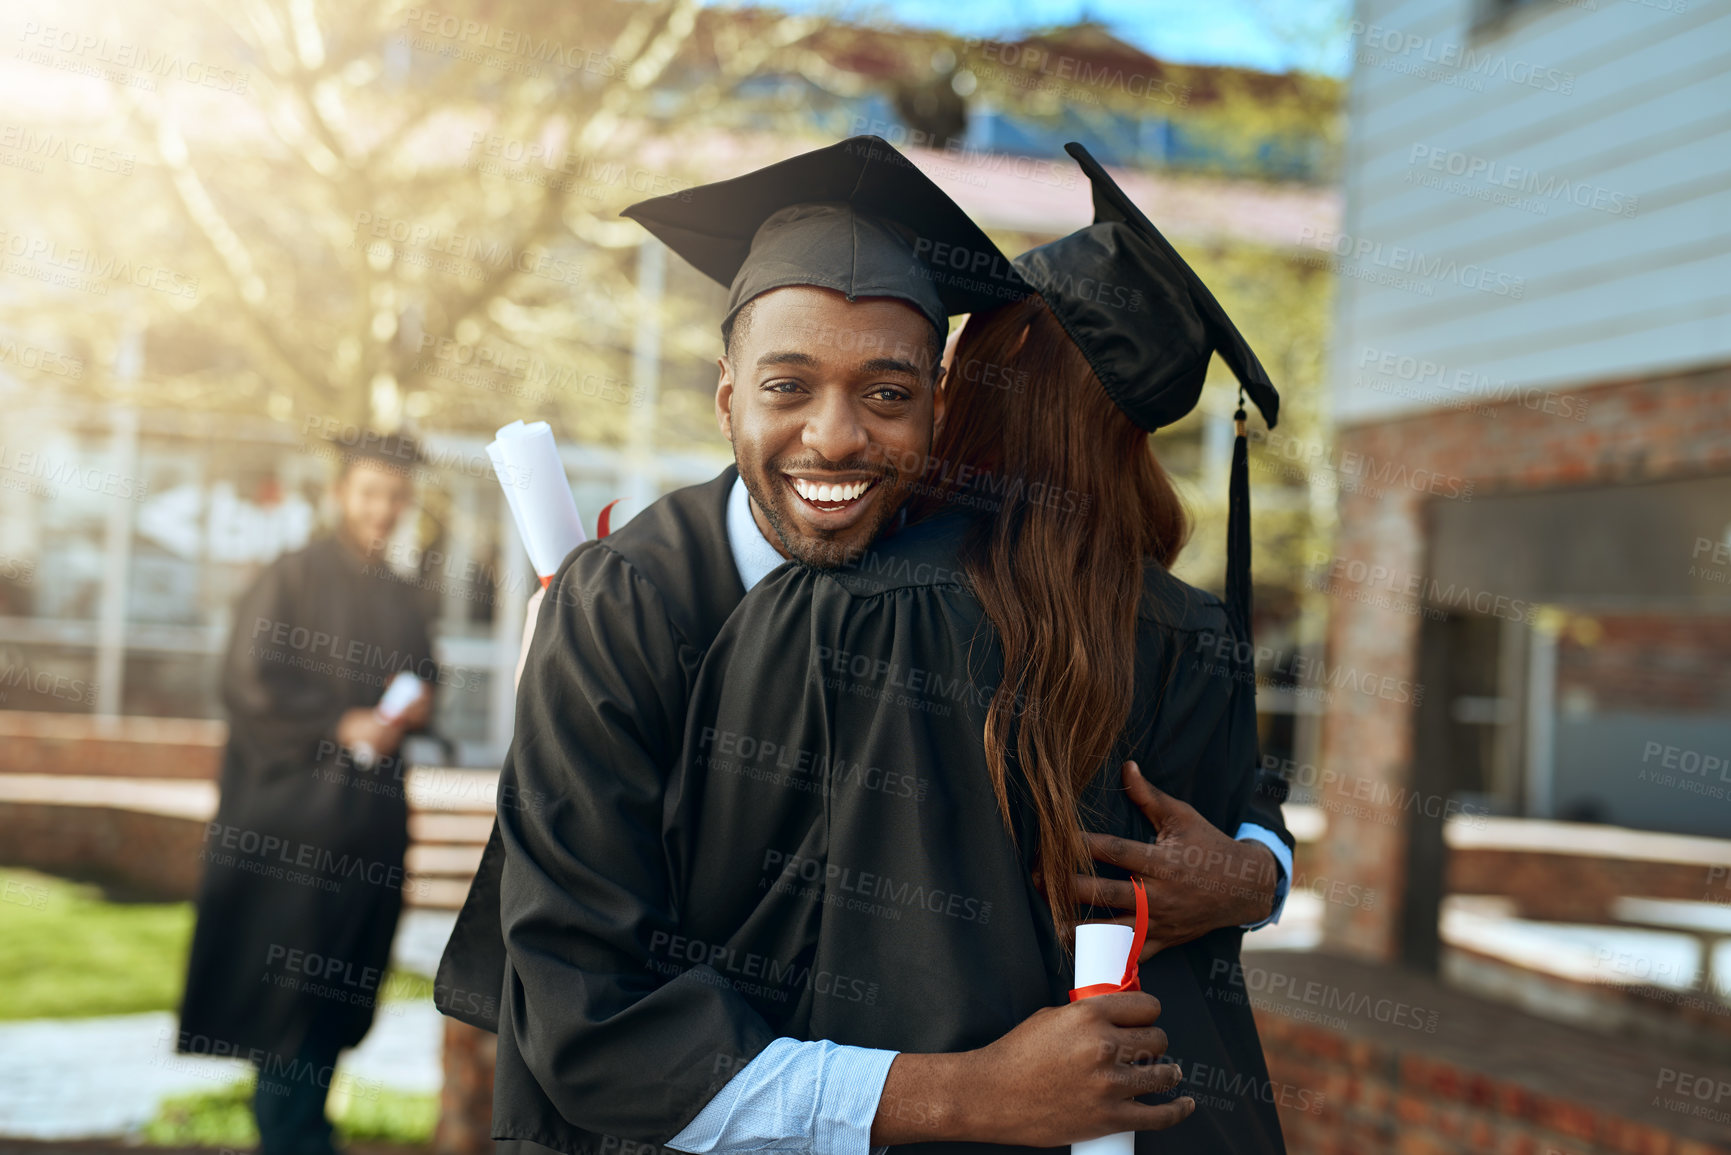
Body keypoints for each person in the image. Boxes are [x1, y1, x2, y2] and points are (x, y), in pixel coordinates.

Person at [433, 135, 1285, 1153]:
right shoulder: (622, 607)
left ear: (941, 400)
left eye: (886, 393)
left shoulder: (983, 605)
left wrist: (1251, 875)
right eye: (787, 386)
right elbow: (591, 1015)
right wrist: (968, 1096)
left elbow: (1243, 815)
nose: (835, 439)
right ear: (726, 396)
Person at [176, 434, 437, 1155]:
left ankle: (307, 1126)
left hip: (370, 821)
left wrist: (416, 706)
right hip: (293, 826)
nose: (384, 510)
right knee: (286, 988)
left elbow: (421, 672)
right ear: (339, 494)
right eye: (369, 493)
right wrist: (336, 722)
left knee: (341, 986)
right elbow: (247, 684)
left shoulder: (400, 590)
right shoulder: (289, 577)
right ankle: (291, 1135)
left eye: (395, 496)